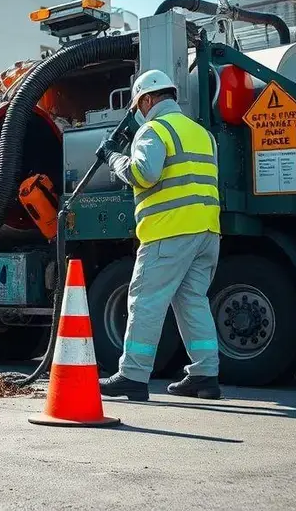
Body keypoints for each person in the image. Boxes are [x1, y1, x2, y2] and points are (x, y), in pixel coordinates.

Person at [94, 69, 223, 401]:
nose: (140, 111)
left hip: (169, 231)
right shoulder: (201, 133)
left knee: (145, 301)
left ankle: (133, 376)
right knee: (193, 301)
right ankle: (206, 375)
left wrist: (113, 158)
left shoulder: (154, 129)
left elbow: (143, 173)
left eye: (139, 104)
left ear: (148, 99)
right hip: (207, 230)